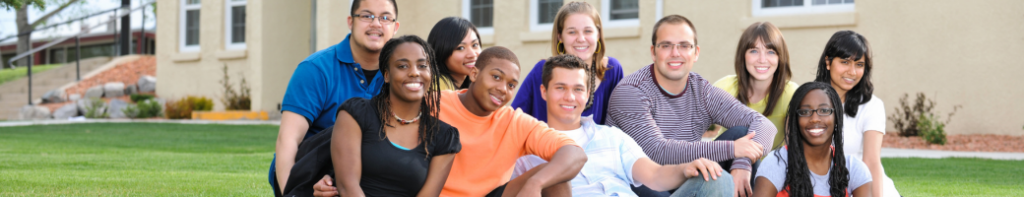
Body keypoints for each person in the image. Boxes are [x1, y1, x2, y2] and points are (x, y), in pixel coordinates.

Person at [313, 47, 588, 197]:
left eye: (512, 85)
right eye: (496, 77)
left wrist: (533, 184)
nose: (503, 89)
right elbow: (374, 136)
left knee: (555, 181)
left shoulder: (515, 122)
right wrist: (335, 178)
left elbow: (574, 154)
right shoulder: (432, 103)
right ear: (475, 72)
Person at [512, 54, 733, 197]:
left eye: (578, 89)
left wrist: (685, 168)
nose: (570, 97)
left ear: (588, 94)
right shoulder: (527, 151)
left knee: (716, 177)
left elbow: (654, 176)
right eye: (560, 87)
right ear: (544, 91)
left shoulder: (611, 136)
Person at [605, 15, 775, 197]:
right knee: (721, 168)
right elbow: (657, 152)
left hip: (684, 178)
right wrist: (732, 148)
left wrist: (742, 161)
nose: (675, 53)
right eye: (666, 45)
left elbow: (765, 126)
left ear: (696, 53)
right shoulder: (631, 92)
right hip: (640, 183)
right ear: (653, 52)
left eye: (684, 46)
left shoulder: (702, 91)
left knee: (743, 134)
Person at [281, 35, 460, 196]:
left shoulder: (444, 137)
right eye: (403, 66)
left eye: (422, 65)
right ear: (387, 75)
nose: (414, 72)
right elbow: (348, 187)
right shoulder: (356, 115)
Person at [270, 0, 400, 195]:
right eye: (366, 16)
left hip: (369, 175)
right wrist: (293, 192)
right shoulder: (316, 69)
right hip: (314, 173)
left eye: (385, 17)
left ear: (395, 27)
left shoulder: (402, 75)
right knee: (347, 125)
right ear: (350, 22)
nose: (376, 23)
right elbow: (287, 140)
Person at [814, 30, 900, 197]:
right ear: (828, 62)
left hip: (865, 187)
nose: (852, 72)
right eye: (845, 62)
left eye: (859, 64)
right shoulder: (807, 102)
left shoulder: (871, 105)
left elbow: (872, 162)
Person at [511, 1, 624, 125]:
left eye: (588, 31)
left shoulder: (612, 69)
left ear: (598, 34)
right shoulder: (542, 71)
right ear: (560, 36)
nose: (581, 39)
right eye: (572, 32)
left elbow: (620, 123)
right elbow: (513, 121)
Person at [752, 82, 873, 197]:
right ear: (796, 120)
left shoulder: (854, 168)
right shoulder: (777, 162)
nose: (815, 118)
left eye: (824, 111)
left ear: (836, 117)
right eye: (805, 111)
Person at [713, 21, 798, 151]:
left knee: (748, 136)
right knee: (741, 132)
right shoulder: (726, 86)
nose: (762, 59)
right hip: (723, 165)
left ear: (780, 57)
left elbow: (797, 146)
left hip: (769, 169)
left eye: (770, 52)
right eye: (754, 51)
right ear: (743, 56)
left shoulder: (792, 93)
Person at [427, 17, 482, 90]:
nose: (473, 55)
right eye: (461, 48)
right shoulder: (438, 87)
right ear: (442, 52)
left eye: (475, 45)